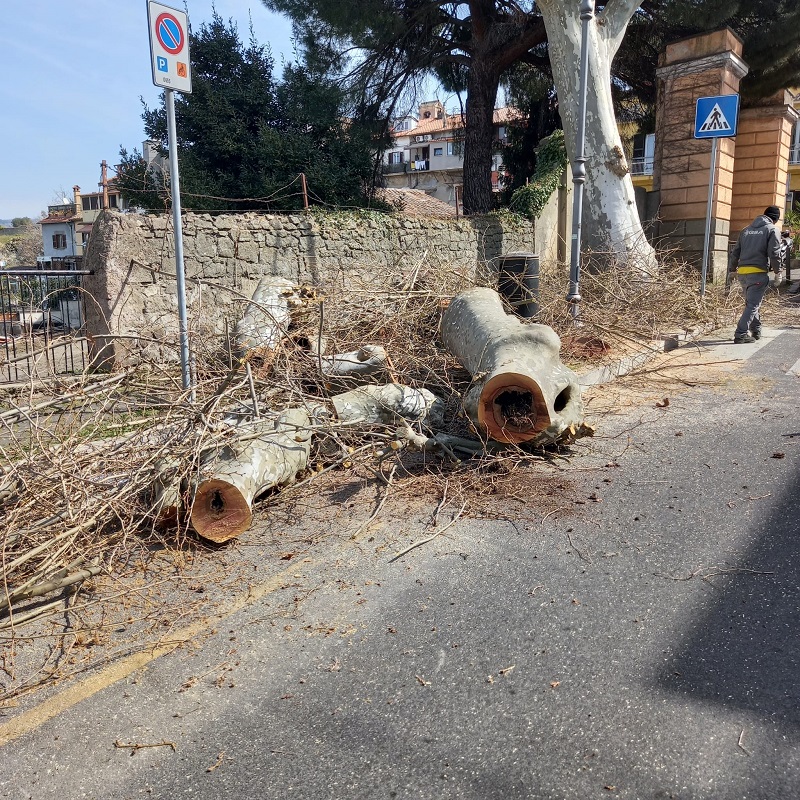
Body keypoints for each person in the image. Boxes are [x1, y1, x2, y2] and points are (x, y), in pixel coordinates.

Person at [727, 205, 783, 343]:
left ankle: (756, 329)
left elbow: (735, 253)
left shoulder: (746, 230)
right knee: (753, 305)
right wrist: (778, 272)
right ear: (775, 219)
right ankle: (740, 333)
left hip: (743, 274)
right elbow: (774, 253)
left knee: (751, 303)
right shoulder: (772, 229)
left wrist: (732, 270)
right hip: (758, 273)